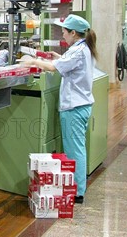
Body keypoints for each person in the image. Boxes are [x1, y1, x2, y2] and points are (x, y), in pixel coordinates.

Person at [22, 14, 97, 204]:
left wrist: (32, 61)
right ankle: (77, 186)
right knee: (75, 148)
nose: (62, 34)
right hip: (80, 105)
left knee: (75, 150)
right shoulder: (81, 48)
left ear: (73, 32)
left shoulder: (78, 51)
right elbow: (65, 64)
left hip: (74, 108)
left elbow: (54, 69)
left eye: (64, 31)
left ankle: (78, 192)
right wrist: (57, 57)